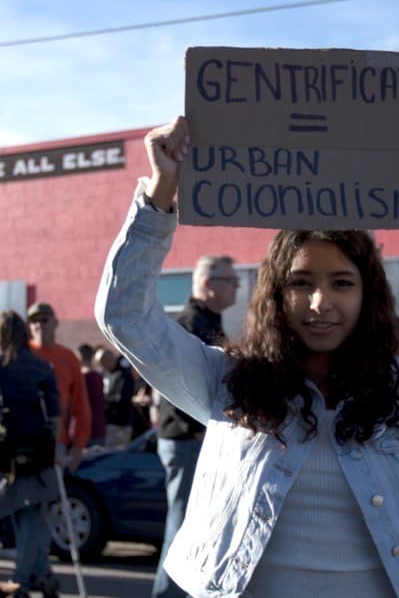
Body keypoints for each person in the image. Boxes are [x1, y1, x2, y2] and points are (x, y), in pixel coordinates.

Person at [95, 116, 399, 597]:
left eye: (341, 282)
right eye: (301, 283)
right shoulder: (225, 383)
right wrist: (159, 195)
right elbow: (125, 317)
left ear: (368, 296)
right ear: (275, 294)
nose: (321, 303)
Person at [152, 254, 237, 598]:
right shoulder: (191, 324)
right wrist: (201, 429)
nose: (236, 287)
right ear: (207, 284)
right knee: (185, 529)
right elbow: (175, 384)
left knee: (194, 527)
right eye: (230, 281)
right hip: (187, 439)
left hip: (192, 437)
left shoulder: (206, 322)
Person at [0, 310, 62, 598]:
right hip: (36, 449)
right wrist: (56, 446)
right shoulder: (41, 367)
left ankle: (38, 576)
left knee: (23, 511)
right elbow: (54, 414)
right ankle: (28, 580)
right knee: (32, 512)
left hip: (1, 451)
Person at [27, 302, 91, 471]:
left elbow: (81, 405)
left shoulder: (67, 358)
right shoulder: (23, 353)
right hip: (25, 439)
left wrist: (78, 445)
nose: (39, 325)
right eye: (34, 321)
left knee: (53, 494)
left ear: (55, 323)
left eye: (44, 320)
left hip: (56, 442)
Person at [93, 347, 135, 447]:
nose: (101, 366)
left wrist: (103, 401)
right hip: (109, 422)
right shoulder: (107, 374)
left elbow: (122, 398)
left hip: (120, 424)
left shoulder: (123, 375)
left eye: (102, 362)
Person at [77, 343, 107, 448]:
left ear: (80, 357)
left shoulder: (83, 378)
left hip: (86, 430)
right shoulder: (98, 377)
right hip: (99, 428)